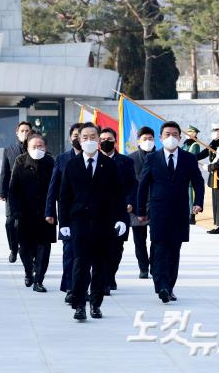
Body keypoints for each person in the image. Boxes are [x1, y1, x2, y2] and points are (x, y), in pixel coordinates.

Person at [58, 122, 126, 320]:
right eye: (85, 137)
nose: (89, 140)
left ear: (98, 139)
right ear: (79, 140)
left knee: (100, 266)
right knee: (80, 265)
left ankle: (95, 304)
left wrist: (121, 219)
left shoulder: (109, 165)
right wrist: (64, 224)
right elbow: (64, 196)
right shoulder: (72, 164)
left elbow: (118, 195)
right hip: (79, 222)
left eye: (92, 137)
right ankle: (79, 304)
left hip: (103, 223)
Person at [137, 121, 204, 303]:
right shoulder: (152, 159)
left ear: (180, 138)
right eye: (167, 134)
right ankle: (162, 286)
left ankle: (169, 286)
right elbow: (143, 186)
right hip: (158, 211)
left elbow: (198, 181)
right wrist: (140, 210)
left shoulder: (188, 158)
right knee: (159, 249)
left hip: (180, 211)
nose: (171, 137)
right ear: (161, 138)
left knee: (174, 250)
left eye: (175, 134)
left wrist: (198, 203)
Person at [8, 134, 54, 292]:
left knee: (44, 247)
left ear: (45, 147)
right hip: (24, 213)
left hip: (46, 213)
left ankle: (39, 280)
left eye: (40, 146)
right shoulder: (20, 162)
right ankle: (28, 271)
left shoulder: (50, 162)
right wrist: (15, 211)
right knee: (25, 248)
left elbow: (56, 188)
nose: (37, 149)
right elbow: (13, 189)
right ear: (27, 148)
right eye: (33, 146)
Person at [44, 122, 83, 304]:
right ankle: (69, 287)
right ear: (70, 138)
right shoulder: (62, 159)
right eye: (75, 135)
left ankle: (82, 287)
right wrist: (50, 211)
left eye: (81, 135)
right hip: (68, 212)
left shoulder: (98, 160)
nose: (78, 139)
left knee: (85, 254)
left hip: (91, 215)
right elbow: (53, 187)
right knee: (69, 252)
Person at [99, 127, 137, 293]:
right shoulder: (94, 160)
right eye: (103, 139)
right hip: (99, 211)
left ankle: (110, 274)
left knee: (116, 247)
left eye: (110, 139)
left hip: (120, 210)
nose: (106, 141)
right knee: (101, 247)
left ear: (115, 141)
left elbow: (132, 185)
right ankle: (104, 280)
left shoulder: (126, 162)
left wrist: (130, 202)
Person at [0, 121, 33, 263]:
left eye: (27, 130)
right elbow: (4, 172)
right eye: (22, 130)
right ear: (17, 133)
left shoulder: (34, 147)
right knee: (10, 223)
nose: (24, 133)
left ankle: (28, 250)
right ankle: (13, 248)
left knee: (26, 223)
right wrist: (2, 191)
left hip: (30, 193)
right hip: (13, 192)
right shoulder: (9, 150)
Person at [127, 127, 156, 279]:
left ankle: (154, 264)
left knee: (157, 239)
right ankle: (143, 267)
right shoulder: (130, 159)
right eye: (145, 139)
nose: (148, 142)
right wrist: (130, 203)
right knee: (139, 240)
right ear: (139, 141)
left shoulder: (160, 156)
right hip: (137, 205)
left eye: (150, 138)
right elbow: (128, 184)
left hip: (156, 205)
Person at [196, 124, 219, 234]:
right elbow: (203, 154)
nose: (214, 132)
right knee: (216, 202)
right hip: (213, 175)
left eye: (216, 130)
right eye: (213, 130)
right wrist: (190, 157)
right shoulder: (212, 144)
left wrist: (209, 167)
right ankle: (217, 225)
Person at [182, 125, 202, 224]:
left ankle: (192, 215)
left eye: (190, 132)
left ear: (194, 134)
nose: (188, 134)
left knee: (191, 194)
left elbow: (192, 158)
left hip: (190, 172)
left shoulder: (195, 145)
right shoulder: (185, 144)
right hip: (182, 172)